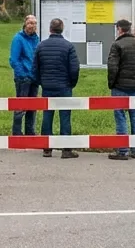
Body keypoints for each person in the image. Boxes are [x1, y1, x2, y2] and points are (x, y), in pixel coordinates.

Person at [33, 17, 81, 158]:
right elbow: (74, 69)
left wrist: (41, 82)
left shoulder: (41, 46)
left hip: (47, 86)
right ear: (62, 29)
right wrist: (71, 83)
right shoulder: (68, 46)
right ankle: (66, 149)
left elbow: (35, 68)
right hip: (64, 86)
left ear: (50, 29)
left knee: (47, 116)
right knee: (65, 117)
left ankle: (47, 148)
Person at [106, 18, 135, 160]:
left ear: (119, 29)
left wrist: (112, 83)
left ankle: (122, 150)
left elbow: (113, 67)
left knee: (120, 117)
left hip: (120, 86)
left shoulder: (117, 45)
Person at [9, 15, 41, 137]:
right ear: (25, 24)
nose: (32, 26)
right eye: (30, 23)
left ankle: (30, 132)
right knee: (20, 106)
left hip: (34, 77)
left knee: (32, 107)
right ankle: (17, 132)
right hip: (23, 78)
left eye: (34, 23)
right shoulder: (18, 39)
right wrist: (22, 74)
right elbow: (14, 59)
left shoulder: (36, 39)